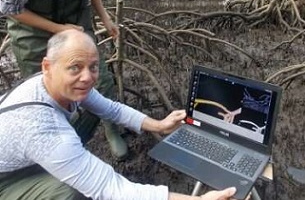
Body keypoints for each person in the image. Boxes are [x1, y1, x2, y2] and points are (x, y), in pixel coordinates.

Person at [0, 30, 237, 200]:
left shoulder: (59, 85)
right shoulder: (45, 132)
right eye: (75, 67)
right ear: (47, 67)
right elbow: (110, 188)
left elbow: (111, 109)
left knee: (90, 115)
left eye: (93, 67)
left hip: (23, 154)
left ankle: (71, 164)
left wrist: (161, 125)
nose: (87, 77)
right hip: (5, 180)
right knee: (69, 192)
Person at [0, 0, 127, 159]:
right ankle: (57, 146)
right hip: (34, 35)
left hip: (76, 24)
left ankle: (111, 130)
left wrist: (106, 20)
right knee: (47, 93)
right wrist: (59, 30)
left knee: (101, 82)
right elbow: (8, 7)